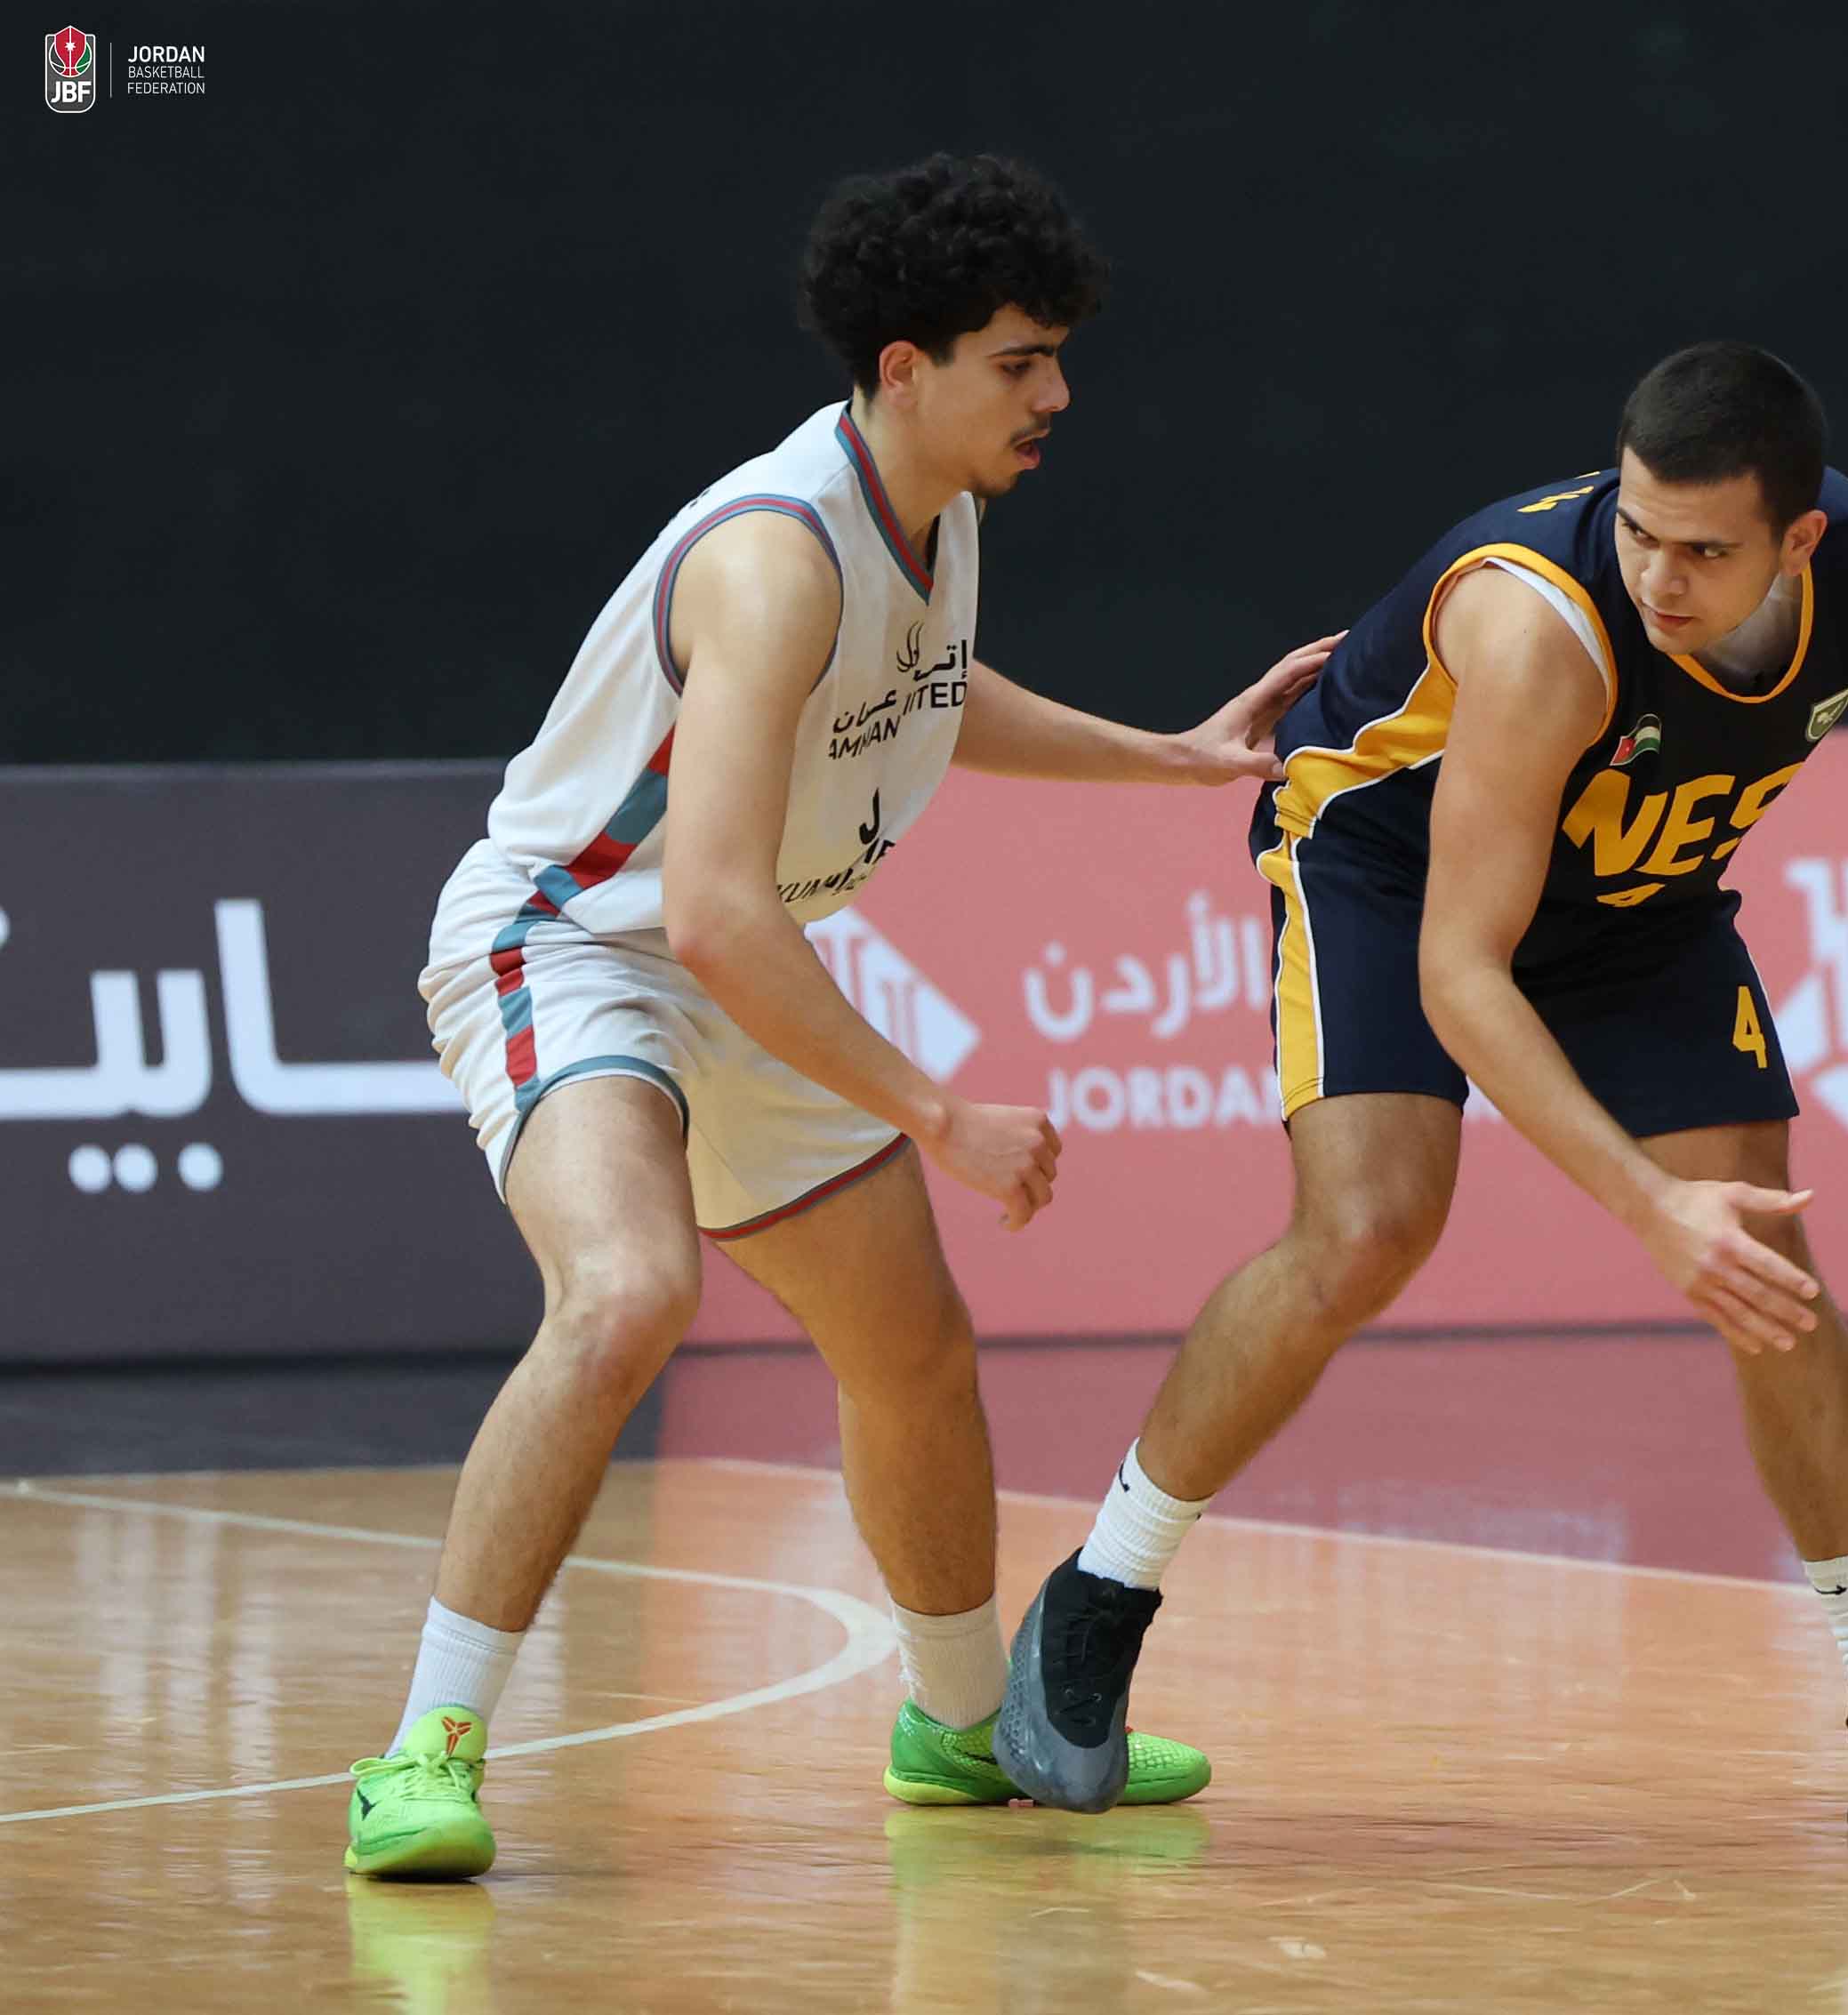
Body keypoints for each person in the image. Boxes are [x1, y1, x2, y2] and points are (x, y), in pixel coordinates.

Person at [998, 340, 1848, 1838]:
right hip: (1393, 869)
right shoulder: (1540, 631)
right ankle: (1097, 1593)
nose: (1658, 574)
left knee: (1766, 1255)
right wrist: (1647, 1206)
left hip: (1636, 885)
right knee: (1370, 1225)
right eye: (1638, 529)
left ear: (1798, 537)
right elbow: (1463, 971)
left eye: (1703, 550)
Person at [343, 154, 1330, 1879]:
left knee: (912, 1347)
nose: (1055, 394)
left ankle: (959, 1723)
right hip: (575, 943)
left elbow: (929, 695)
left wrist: (1169, 757)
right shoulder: (773, 559)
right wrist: (939, 1112)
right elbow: (709, 910)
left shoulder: (931, 512)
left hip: (740, 960)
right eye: (1020, 361)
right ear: (903, 367)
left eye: (1055, 356)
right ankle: (424, 1747)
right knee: (630, 1288)